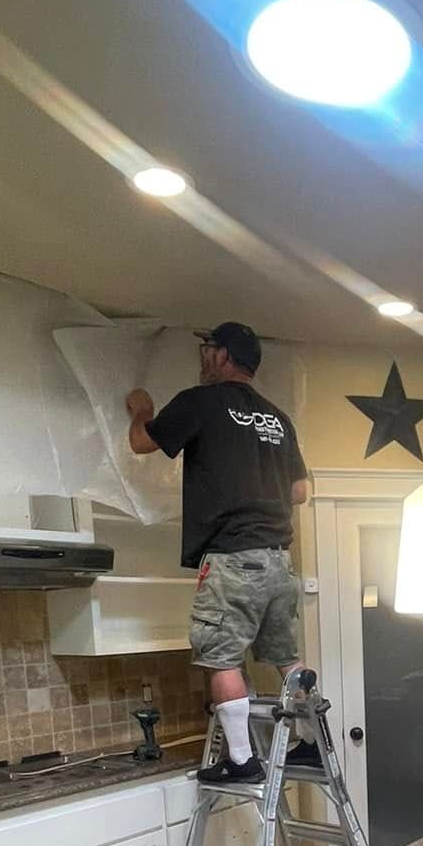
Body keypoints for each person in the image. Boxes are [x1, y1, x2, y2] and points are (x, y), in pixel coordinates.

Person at [126, 322, 310, 785]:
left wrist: (142, 410)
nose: (203, 357)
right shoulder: (278, 419)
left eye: (207, 349)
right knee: (287, 659)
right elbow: (300, 491)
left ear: (224, 356)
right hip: (278, 560)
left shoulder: (201, 401)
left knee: (221, 658)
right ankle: (309, 743)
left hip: (233, 557)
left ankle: (242, 761)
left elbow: (142, 442)